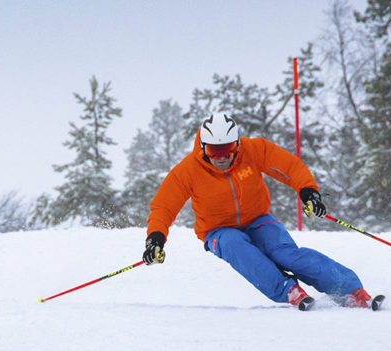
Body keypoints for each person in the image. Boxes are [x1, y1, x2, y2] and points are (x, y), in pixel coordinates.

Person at [142, 113, 375, 310]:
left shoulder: (253, 150)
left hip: (258, 219)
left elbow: (290, 166)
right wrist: (155, 239)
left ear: (236, 145)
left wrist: (308, 192)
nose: (222, 157)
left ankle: (350, 291)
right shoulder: (187, 171)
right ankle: (289, 291)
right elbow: (164, 206)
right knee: (235, 244)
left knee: (285, 254)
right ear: (203, 148)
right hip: (218, 231)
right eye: (214, 151)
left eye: (228, 149)